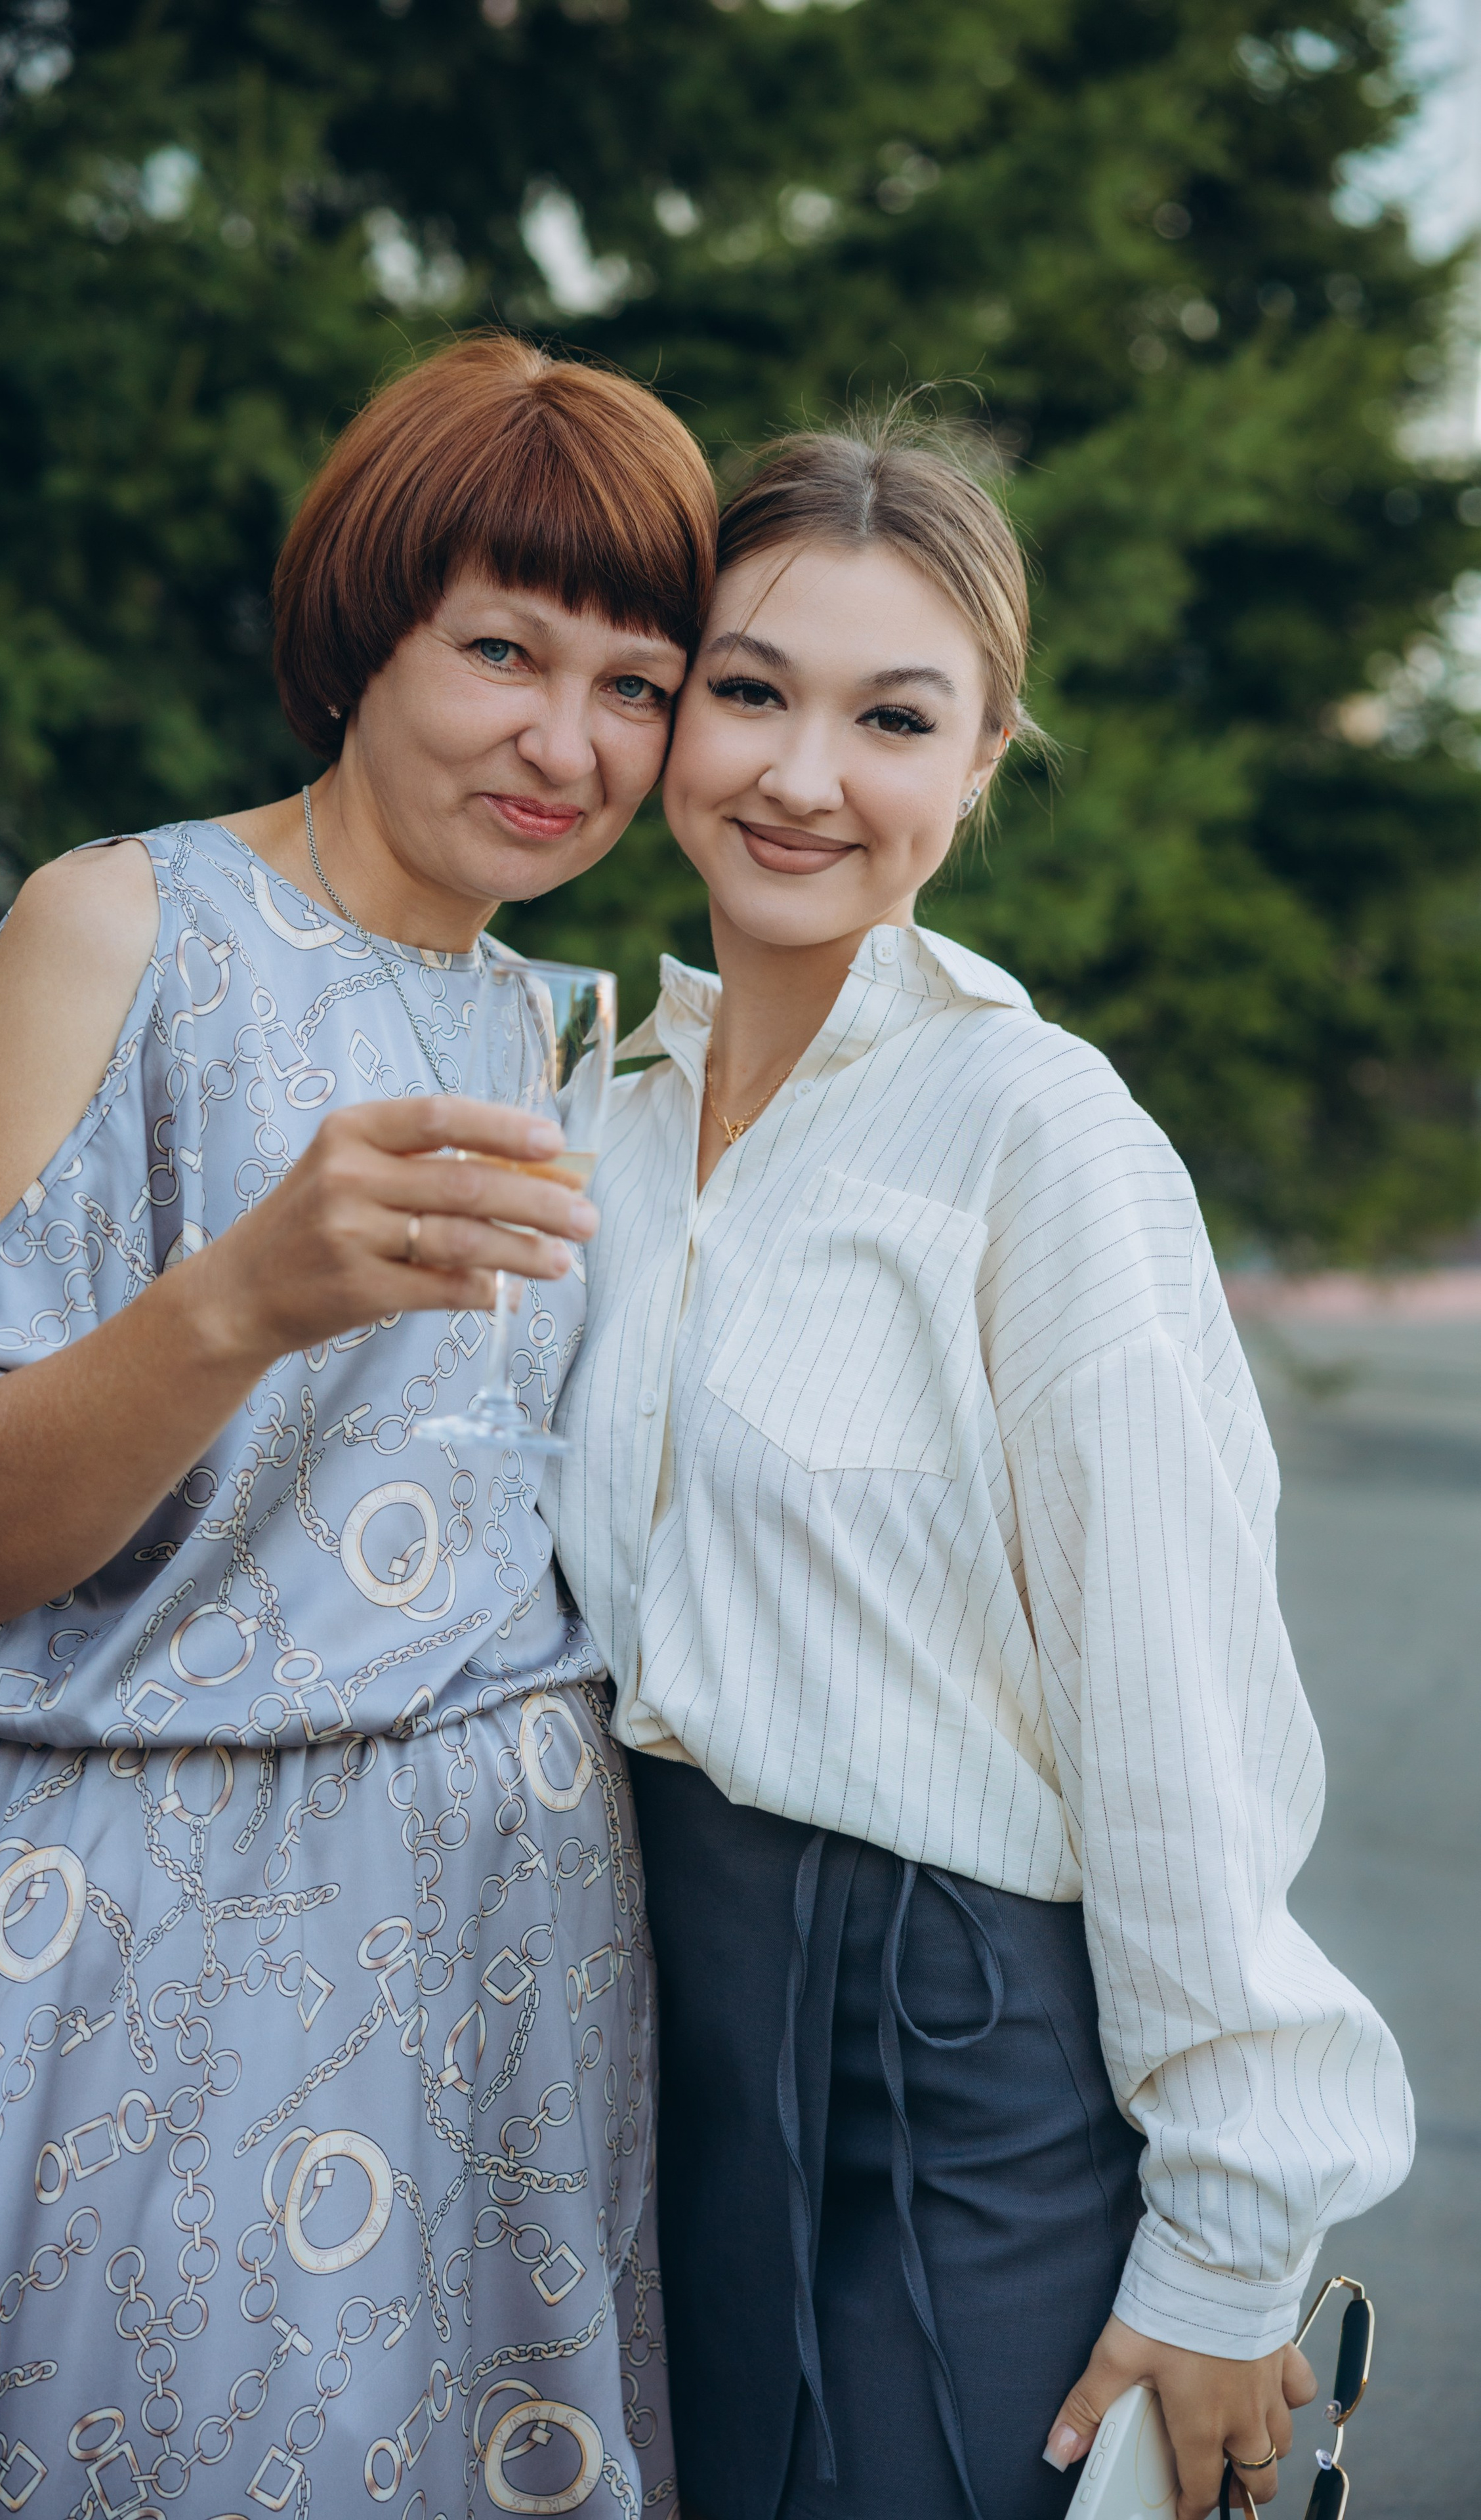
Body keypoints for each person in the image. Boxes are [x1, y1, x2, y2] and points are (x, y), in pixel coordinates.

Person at [0, 333, 715, 2517]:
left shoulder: (552, 1027)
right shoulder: (124, 925)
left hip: (517, 1947)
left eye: (639, 684)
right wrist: (236, 1301)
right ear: (360, 630)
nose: (565, 744)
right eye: (503, 648)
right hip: (167, 1927)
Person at [544, 414, 1413, 2520]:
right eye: (748, 690)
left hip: (954, 2054)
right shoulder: (591, 1108)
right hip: (654, 2028)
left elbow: (1177, 1715)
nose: (802, 774)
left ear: (984, 763)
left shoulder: (1046, 1140)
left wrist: (1228, 2255)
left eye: (892, 717)